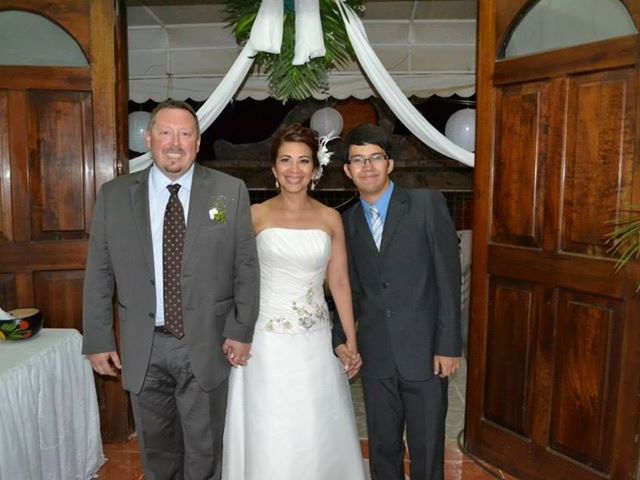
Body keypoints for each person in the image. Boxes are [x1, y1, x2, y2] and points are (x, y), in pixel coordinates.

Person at [82, 100, 260, 480]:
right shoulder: (113, 196)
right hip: (144, 345)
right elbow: (99, 271)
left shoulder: (229, 192)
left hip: (208, 342)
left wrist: (241, 330)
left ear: (198, 142)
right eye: (165, 132)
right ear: (149, 139)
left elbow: (245, 265)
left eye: (185, 134)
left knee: (205, 451)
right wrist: (98, 338)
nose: (174, 142)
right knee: (157, 453)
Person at [222, 123, 366, 480]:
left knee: (314, 423)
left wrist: (350, 339)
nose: (294, 169)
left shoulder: (330, 218)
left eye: (303, 161)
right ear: (273, 168)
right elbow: (233, 279)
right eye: (285, 160)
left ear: (315, 169)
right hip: (264, 342)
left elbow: (340, 282)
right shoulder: (254, 215)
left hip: (315, 341)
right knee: (271, 424)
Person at [333, 123, 462, 480]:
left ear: (389, 164)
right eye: (358, 160)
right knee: (383, 448)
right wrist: (340, 339)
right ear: (347, 170)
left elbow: (447, 280)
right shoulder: (346, 223)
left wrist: (448, 345)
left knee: (427, 448)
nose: (367, 166)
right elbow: (350, 291)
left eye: (376, 157)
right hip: (376, 357)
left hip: (425, 353)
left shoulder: (426, 204)